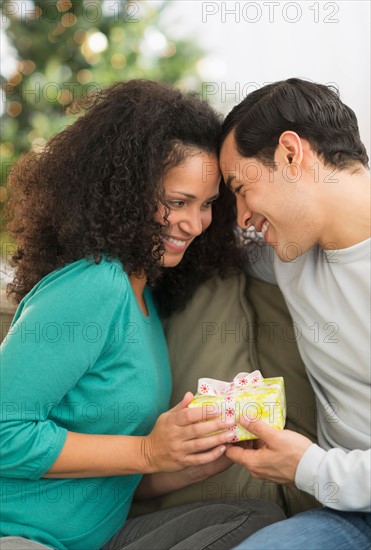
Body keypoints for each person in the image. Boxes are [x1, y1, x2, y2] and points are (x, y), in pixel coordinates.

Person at [0, 80, 285, 550]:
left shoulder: (145, 297)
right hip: (20, 536)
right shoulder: (94, 286)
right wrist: (148, 449)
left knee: (256, 517)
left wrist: (189, 460)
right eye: (176, 202)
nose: (194, 224)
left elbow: (114, 476)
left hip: (99, 539)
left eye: (207, 204)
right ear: (125, 193)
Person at [218, 78, 371, 549]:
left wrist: (308, 467)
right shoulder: (290, 251)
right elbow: (197, 245)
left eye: (241, 188)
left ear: (290, 155)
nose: (242, 215)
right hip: (350, 519)